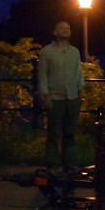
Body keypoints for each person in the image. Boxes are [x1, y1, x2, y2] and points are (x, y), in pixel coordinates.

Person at [37, 21, 86, 173]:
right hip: (55, 97)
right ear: (55, 32)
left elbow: (78, 71)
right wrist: (45, 94)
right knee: (53, 133)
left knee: (69, 133)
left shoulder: (75, 52)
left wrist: (81, 89)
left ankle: (69, 164)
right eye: (62, 28)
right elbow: (42, 74)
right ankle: (52, 165)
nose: (65, 30)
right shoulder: (46, 51)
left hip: (72, 96)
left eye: (68, 28)